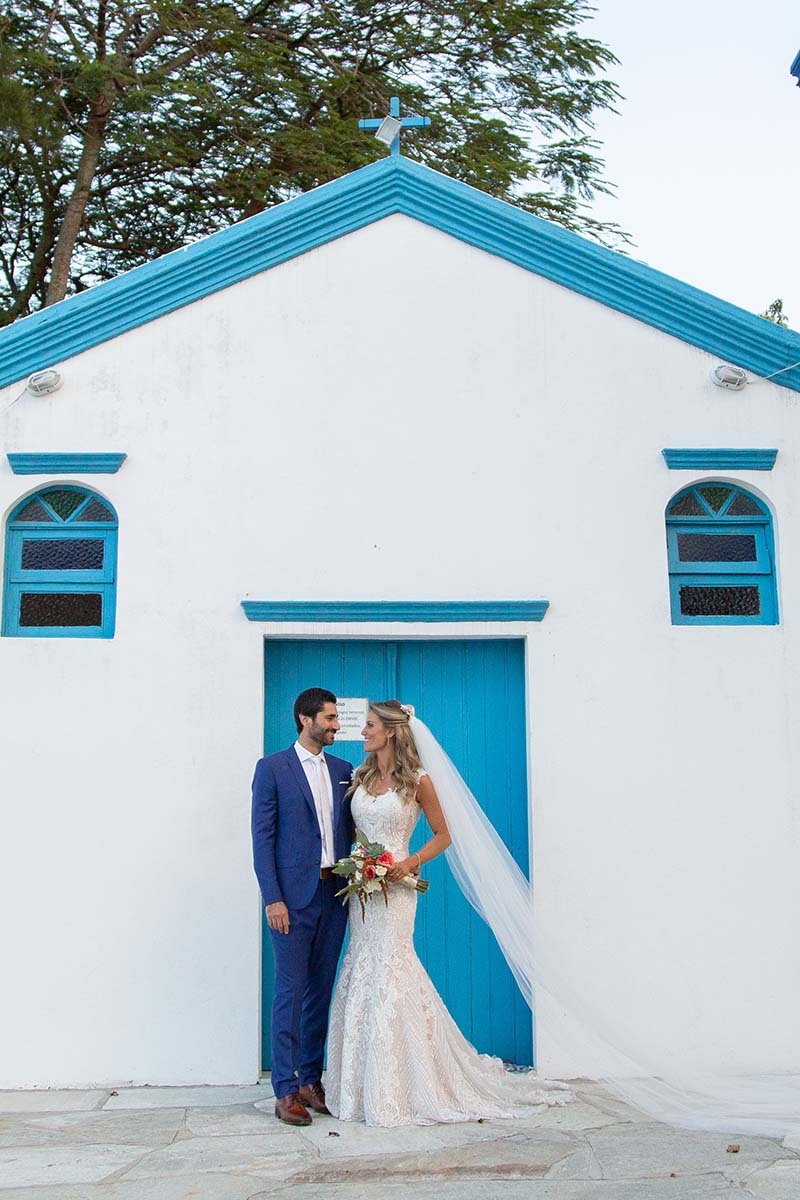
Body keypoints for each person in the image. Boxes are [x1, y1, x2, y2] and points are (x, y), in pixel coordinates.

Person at [325, 700, 573, 1127]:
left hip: (398, 889)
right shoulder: (360, 778)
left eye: (369, 725)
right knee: (361, 964)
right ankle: (357, 1082)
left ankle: (401, 1080)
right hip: (363, 891)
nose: (362, 731)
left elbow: (444, 835)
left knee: (392, 967)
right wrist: (359, 866)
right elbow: (352, 833)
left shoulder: (418, 780)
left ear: (391, 732)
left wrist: (410, 862)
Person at [251, 688, 353, 1126]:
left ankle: (311, 1080)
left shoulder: (345, 770)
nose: (336, 726)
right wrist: (272, 898)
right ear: (304, 719)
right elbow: (262, 839)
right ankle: (285, 1089)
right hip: (291, 901)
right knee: (290, 992)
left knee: (320, 991)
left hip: (335, 896)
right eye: (329, 718)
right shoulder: (272, 768)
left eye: (336, 718)